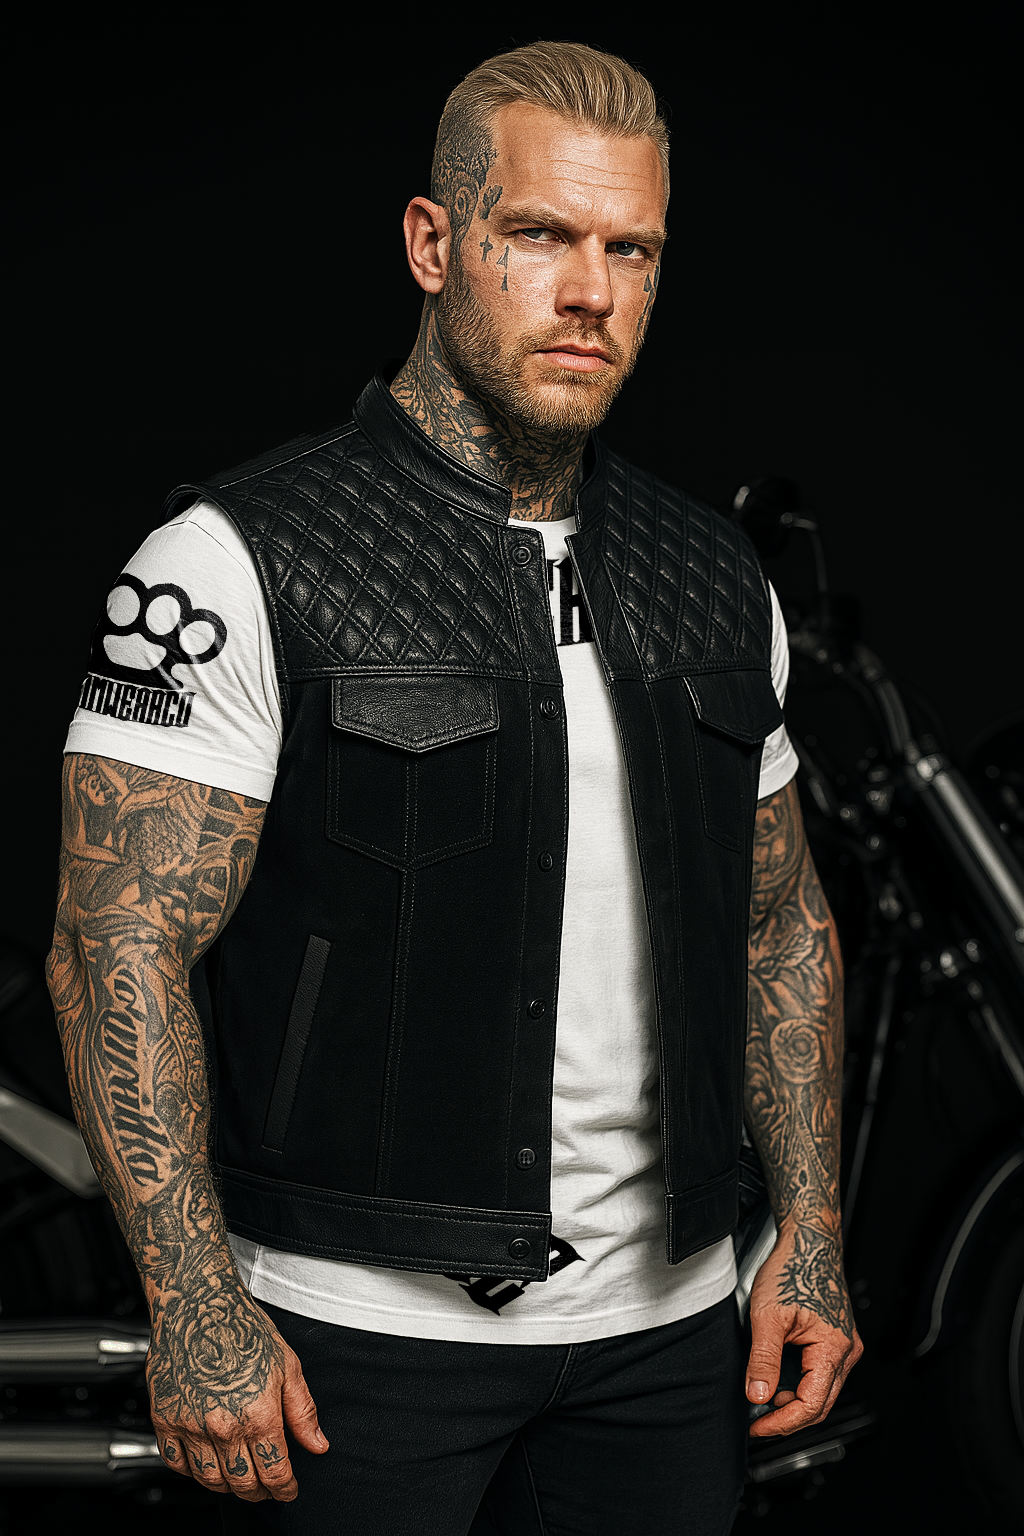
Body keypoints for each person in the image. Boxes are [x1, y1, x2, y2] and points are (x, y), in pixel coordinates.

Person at [47, 40, 861, 1536]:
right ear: (434, 244)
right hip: (345, 1344)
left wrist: (805, 1231)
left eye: (631, 249)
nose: (591, 292)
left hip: (667, 1347)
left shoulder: (711, 575)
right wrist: (196, 1302)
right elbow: (117, 947)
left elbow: (780, 929)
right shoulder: (237, 560)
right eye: (540, 234)